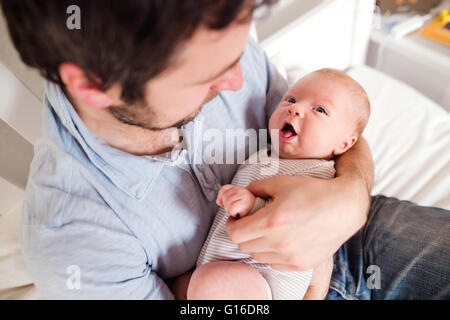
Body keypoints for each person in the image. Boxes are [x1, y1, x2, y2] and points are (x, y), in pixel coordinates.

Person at [1, 0, 448, 300]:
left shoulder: (204, 30)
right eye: (209, 76)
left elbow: (331, 134)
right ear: (95, 85)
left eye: (238, 55)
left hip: (353, 236)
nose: (237, 81)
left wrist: (350, 196)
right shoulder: (75, 241)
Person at [187, 68, 371, 300]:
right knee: (194, 285)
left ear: (344, 144)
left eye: (320, 110)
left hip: (266, 278)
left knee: (210, 283)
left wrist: (251, 206)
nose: (295, 108)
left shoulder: (316, 174)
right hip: (231, 265)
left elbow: (290, 219)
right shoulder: (269, 153)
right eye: (291, 99)